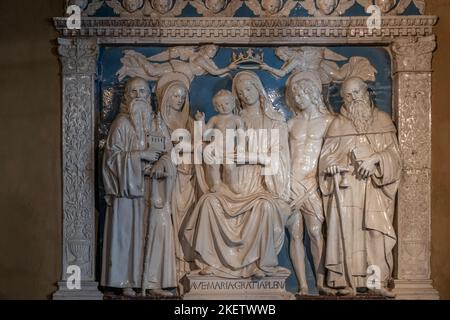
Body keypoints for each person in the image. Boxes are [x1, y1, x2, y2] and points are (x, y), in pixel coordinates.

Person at [183, 71, 291, 279]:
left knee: (265, 207)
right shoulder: (230, 117)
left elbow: (279, 158)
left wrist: (249, 157)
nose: (245, 95)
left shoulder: (274, 120)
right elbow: (208, 142)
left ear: (259, 89)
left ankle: (261, 264)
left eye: (249, 89)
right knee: (208, 203)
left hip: (260, 184)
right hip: (228, 182)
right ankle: (212, 263)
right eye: (241, 92)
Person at [319, 77, 401, 297]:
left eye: (357, 92)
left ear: (367, 92)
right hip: (346, 191)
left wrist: (375, 159)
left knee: (375, 234)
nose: (353, 98)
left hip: (375, 188)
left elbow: (395, 157)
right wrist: (333, 166)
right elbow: (325, 158)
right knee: (348, 234)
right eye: (348, 94)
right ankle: (345, 281)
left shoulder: (382, 120)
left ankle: (376, 281)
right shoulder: (337, 124)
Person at [101, 77, 163, 297]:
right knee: (126, 235)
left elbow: (165, 153)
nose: (138, 96)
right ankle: (123, 280)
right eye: (133, 92)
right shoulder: (122, 124)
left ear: (149, 96)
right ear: (126, 97)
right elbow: (111, 158)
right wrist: (140, 157)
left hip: (148, 188)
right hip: (125, 192)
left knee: (147, 235)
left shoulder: (154, 124)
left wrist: (160, 165)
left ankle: (145, 279)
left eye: (143, 92)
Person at [285, 72, 335, 296]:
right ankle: (304, 285)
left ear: (314, 94)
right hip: (292, 184)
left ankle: (322, 281)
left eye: (302, 93)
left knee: (316, 232)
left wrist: (320, 180)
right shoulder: (291, 123)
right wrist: (284, 182)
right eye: (295, 94)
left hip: (313, 183)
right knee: (294, 233)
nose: (298, 98)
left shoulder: (329, 122)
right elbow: (281, 154)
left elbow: (334, 153)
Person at [195, 89, 245, 193]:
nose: (223, 107)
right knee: (214, 166)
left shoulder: (236, 119)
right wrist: (201, 122)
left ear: (232, 103)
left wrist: (240, 146)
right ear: (215, 107)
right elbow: (205, 134)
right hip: (216, 148)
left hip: (230, 150)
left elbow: (241, 134)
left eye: (226, 103)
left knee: (230, 168)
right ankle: (216, 183)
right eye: (219, 105)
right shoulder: (215, 119)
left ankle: (233, 184)